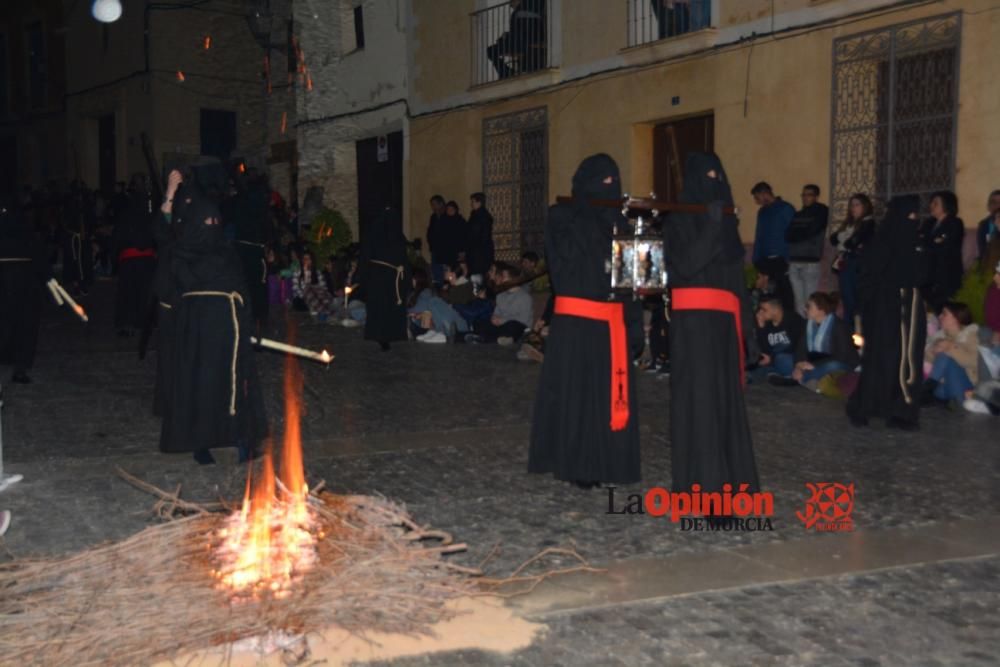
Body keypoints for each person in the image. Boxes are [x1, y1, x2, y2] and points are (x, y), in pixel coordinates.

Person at [529, 154, 643, 488]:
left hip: (612, 325)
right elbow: (565, 264)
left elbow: (628, 282)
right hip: (576, 325)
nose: (611, 188)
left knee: (609, 397)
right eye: (603, 181)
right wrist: (600, 221)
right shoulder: (563, 217)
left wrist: (634, 324)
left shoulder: (622, 225)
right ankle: (576, 461)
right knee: (577, 397)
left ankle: (610, 460)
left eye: (614, 180)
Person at [665, 152, 760, 501]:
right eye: (707, 176)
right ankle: (703, 489)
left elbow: (736, 282)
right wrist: (711, 227)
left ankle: (733, 484)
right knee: (701, 404)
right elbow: (687, 265)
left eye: (718, 175)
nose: (714, 182)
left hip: (725, 326)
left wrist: (749, 332)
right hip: (693, 328)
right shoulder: (678, 221)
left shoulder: (726, 225)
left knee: (726, 405)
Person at [157, 189, 268, 464]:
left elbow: (242, 289)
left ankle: (242, 442)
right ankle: (201, 445)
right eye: (206, 221)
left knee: (234, 383)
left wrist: (250, 324)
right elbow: (170, 289)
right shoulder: (181, 253)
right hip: (196, 333)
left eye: (216, 221)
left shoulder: (227, 253)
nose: (212, 227)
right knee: (201, 386)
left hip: (229, 330)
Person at [846, 195, 927, 430]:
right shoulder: (881, 244)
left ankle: (901, 410)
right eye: (910, 216)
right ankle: (864, 406)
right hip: (884, 310)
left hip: (910, 307)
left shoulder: (915, 244)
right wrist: (865, 310)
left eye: (916, 215)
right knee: (881, 357)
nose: (914, 220)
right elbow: (868, 278)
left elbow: (922, 275)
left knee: (908, 360)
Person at [0, 193, 50, 384]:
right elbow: (40, 260)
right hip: (24, 285)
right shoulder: (26, 231)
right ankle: (19, 369)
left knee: (9, 325)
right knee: (23, 326)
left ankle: (17, 365)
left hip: (8, 284)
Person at [361, 206, 411, 351]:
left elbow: (365, 256)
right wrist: (406, 278)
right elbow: (404, 258)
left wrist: (363, 277)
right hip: (388, 277)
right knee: (385, 307)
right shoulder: (395, 235)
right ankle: (388, 335)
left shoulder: (374, 234)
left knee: (382, 307)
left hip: (379, 277)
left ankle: (383, 335)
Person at [113, 175, 157, 336]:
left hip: (135, 259)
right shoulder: (147, 208)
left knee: (133, 291)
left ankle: (131, 322)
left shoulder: (146, 207)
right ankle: (134, 322)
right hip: (140, 258)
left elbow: (118, 235)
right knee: (139, 291)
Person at [790, 292, 859, 390]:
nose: (805, 309)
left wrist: (813, 365)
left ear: (821, 311)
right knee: (784, 359)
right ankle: (810, 380)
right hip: (813, 364)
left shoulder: (838, 326)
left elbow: (841, 356)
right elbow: (800, 349)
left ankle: (798, 379)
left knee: (833, 366)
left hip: (841, 365)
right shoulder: (809, 325)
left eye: (809, 306)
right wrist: (798, 365)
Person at [829, 193, 876, 330]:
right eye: (851, 205)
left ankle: (858, 331)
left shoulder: (868, 223)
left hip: (857, 264)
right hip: (846, 262)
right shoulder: (849, 224)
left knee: (855, 300)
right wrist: (845, 240)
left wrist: (844, 240)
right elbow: (833, 239)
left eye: (857, 205)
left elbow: (853, 243)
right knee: (847, 300)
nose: (853, 208)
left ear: (865, 206)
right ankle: (849, 332)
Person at [922, 302, 980, 405]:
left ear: (956, 318)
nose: (939, 317)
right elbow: (926, 361)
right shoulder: (940, 337)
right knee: (943, 355)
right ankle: (928, 389)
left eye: (944, 314)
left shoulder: (970, 335)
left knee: (946, 356)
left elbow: (974, 361)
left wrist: (951, 347)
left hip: (964, 387)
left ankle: (928, 389)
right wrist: (933, 350)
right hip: (942, 388)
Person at [785, 184, 829, 317]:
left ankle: (811, 332)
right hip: (795, 260)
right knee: (799, 303)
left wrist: (797, 234)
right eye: (803, 195)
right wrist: (798, 234)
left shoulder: (821, 211)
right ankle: (802, 334)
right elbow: (788, 234)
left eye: (808, 194)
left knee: (811, 303)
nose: (805, 198)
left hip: (810, 261)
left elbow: (811, 231)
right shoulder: (798, 214)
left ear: (816, 197)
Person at [919, 190, 965, 313]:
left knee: (944, 308)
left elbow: (946, 247)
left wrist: (931, 244)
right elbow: (921, 242)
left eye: (936, 203)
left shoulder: (955, 223)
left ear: (947, 205)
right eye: (931, 202)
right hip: (928, 273)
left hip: (946, 274)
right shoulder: (929, 223)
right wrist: (934, 242)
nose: (931, 206)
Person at [469, 263, 532, 344]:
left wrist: (503, 320)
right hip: (501, 325)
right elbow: (497, 312)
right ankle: (495, 339)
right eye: (501, 276)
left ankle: (483, 338)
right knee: (479, 323)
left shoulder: (524, 296)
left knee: (512, 325)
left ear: (513, 279)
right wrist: (494, 318)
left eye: (504, 277)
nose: (500, 279)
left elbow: (524, 320)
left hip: (517, 326)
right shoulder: (501, 295)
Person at [486, 0, 547, 80]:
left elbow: (521, 31)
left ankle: (506, 72)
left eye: (511, 2)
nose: (510, 4)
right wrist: (507, 35)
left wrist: (507, 37)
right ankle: (506, 72)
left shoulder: (520, 11)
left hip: (522, 43)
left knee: (491, 51)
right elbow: (522, 30)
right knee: (492, 50)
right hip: (523, 42)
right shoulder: (526, 10)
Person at [752, 294, 805, 384]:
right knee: (754, 364)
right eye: (760, 309)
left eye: (764, 309)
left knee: (782, 358)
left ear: (775, 310)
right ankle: (777, 375)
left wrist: (771, 358)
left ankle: (776, 375)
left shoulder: (794, 319)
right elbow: (765, 350)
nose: (760, 312)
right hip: (774, 361)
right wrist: (761, 327)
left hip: (792, 359)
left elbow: (798, 346)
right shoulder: (766, 323)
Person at [751, 181, 795, 264]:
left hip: (782, 258)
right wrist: (755, 259)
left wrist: (789, 258)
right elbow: (759, 235)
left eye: (757, 198)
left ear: (764, 194)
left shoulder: (785, 208)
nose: (756, 202)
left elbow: (794, 233)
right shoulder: (762, 212)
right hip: (765, 258)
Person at [466, 192, 494, 287]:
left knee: (479, 278)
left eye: (473, 201)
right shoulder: (475, 215)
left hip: (480, 254)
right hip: (475, 253)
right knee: (475, 277)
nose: (471, 204)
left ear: (479, 203)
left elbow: (483, 237)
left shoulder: (483, 217)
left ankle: (481, 297)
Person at [976, 190, 1000, 262]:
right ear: (989, 206)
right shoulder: (983, 225)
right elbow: (982, 251)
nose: (998, 205)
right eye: (994, 202)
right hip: (989, 264)